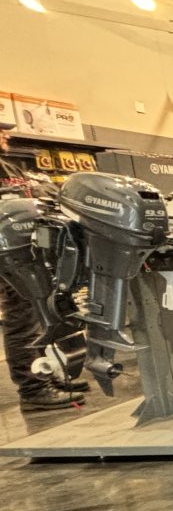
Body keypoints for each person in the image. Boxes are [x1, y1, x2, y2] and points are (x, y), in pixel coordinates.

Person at [0, 118, 87, 412]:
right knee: (22, 318)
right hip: (8, 255)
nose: (6, 134)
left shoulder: (10, 167)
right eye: (0, 130)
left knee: (41, 314)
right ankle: (33, 388)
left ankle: (48, 374)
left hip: (29, 250)